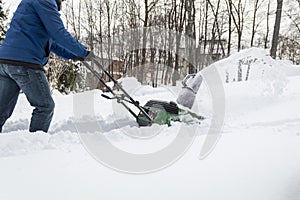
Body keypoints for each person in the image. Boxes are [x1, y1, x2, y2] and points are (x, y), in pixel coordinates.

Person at [0, 0, 93, 133]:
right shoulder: (45, 1)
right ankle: (36, 147)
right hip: (25, 62)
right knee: (45, 106)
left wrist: (75, 55)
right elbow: (59, 33)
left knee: (1, 110)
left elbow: (52, 43)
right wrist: (84, 52)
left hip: (5, 61)